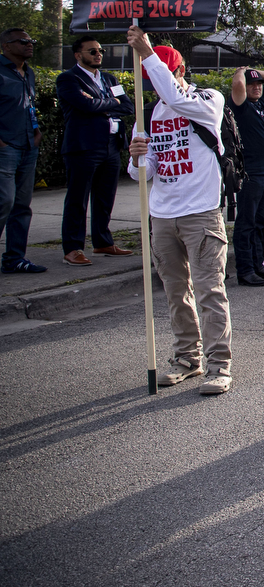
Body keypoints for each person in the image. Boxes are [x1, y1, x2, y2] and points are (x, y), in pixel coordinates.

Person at [124, 29, 232, 394]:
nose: (156, 85)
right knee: (175, 292)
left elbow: (174, 95)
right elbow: (144, 172)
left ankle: (220, 365)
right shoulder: (150, 112)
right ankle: (188, 358)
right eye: (150, 79)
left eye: (161, 75)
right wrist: (137, 156)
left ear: (180, 70)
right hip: (162, 215)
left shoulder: (207, 99)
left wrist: (146, 51)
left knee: (209, 291)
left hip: (201, 213)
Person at [56, 36, 135, 266]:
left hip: (111, 146)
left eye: (100, 50)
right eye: (92, 51)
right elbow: (86, 106)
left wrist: (105, 103)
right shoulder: (68, 79)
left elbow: (128, 106)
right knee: (77, 199)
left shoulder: (109, 78)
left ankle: (102, 241)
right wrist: (113, 103)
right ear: (78, 55)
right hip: (84, 147)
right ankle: (72, 248)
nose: (98, 54)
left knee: (104, 198)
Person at [227, 66, 264, 287]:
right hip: (251, 173)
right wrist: (241, 72)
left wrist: (253, 70)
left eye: (259, 84)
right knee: (246, 223)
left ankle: (257, 262)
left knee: (260, 222)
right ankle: (244, 270)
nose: (256, 88)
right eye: (252, 85)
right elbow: (238, 86)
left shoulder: (263, 102)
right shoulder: (241, 106)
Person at [0, 29, 42, 275]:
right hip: (6, 148)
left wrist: (36, 132)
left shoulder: (29, 73)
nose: (30, 45)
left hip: (28, 146)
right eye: (24, 41)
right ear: (6, 46)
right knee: (3, 201)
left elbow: (29, 106)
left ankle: (14, 259)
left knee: (21, 205)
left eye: (31, 40)